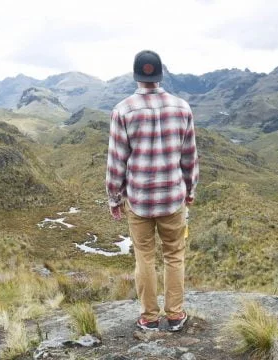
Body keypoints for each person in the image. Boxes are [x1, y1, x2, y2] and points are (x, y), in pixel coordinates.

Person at [106, 50, 199, 332]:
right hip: (173, 198)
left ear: (136, 76)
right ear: (160, 75)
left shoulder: (123, 110)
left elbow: (116, 160)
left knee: (144, 256)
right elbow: (189, 156)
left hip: (139, 199)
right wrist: (190, 188)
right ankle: (175, 315)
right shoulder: (182, 108)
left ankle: (148, 317)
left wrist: (114, 197)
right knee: (174, 255)